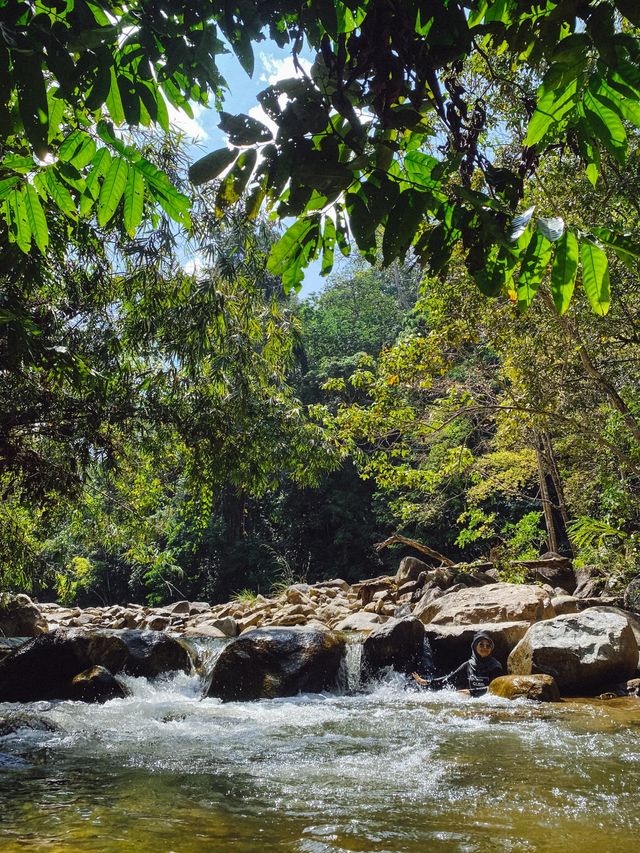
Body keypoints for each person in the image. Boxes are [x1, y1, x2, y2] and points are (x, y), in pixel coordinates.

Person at [411, 631, 503, 697]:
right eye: (481, 645)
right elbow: (449, 679)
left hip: (491, 702)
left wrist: (471, 692)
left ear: (491, 649)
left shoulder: (496, 667)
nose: (485, 648)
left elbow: (495, 688)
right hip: (475, 702)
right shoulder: (468, 665)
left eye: (488, 645)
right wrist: (426, 682)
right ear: (475, 647)